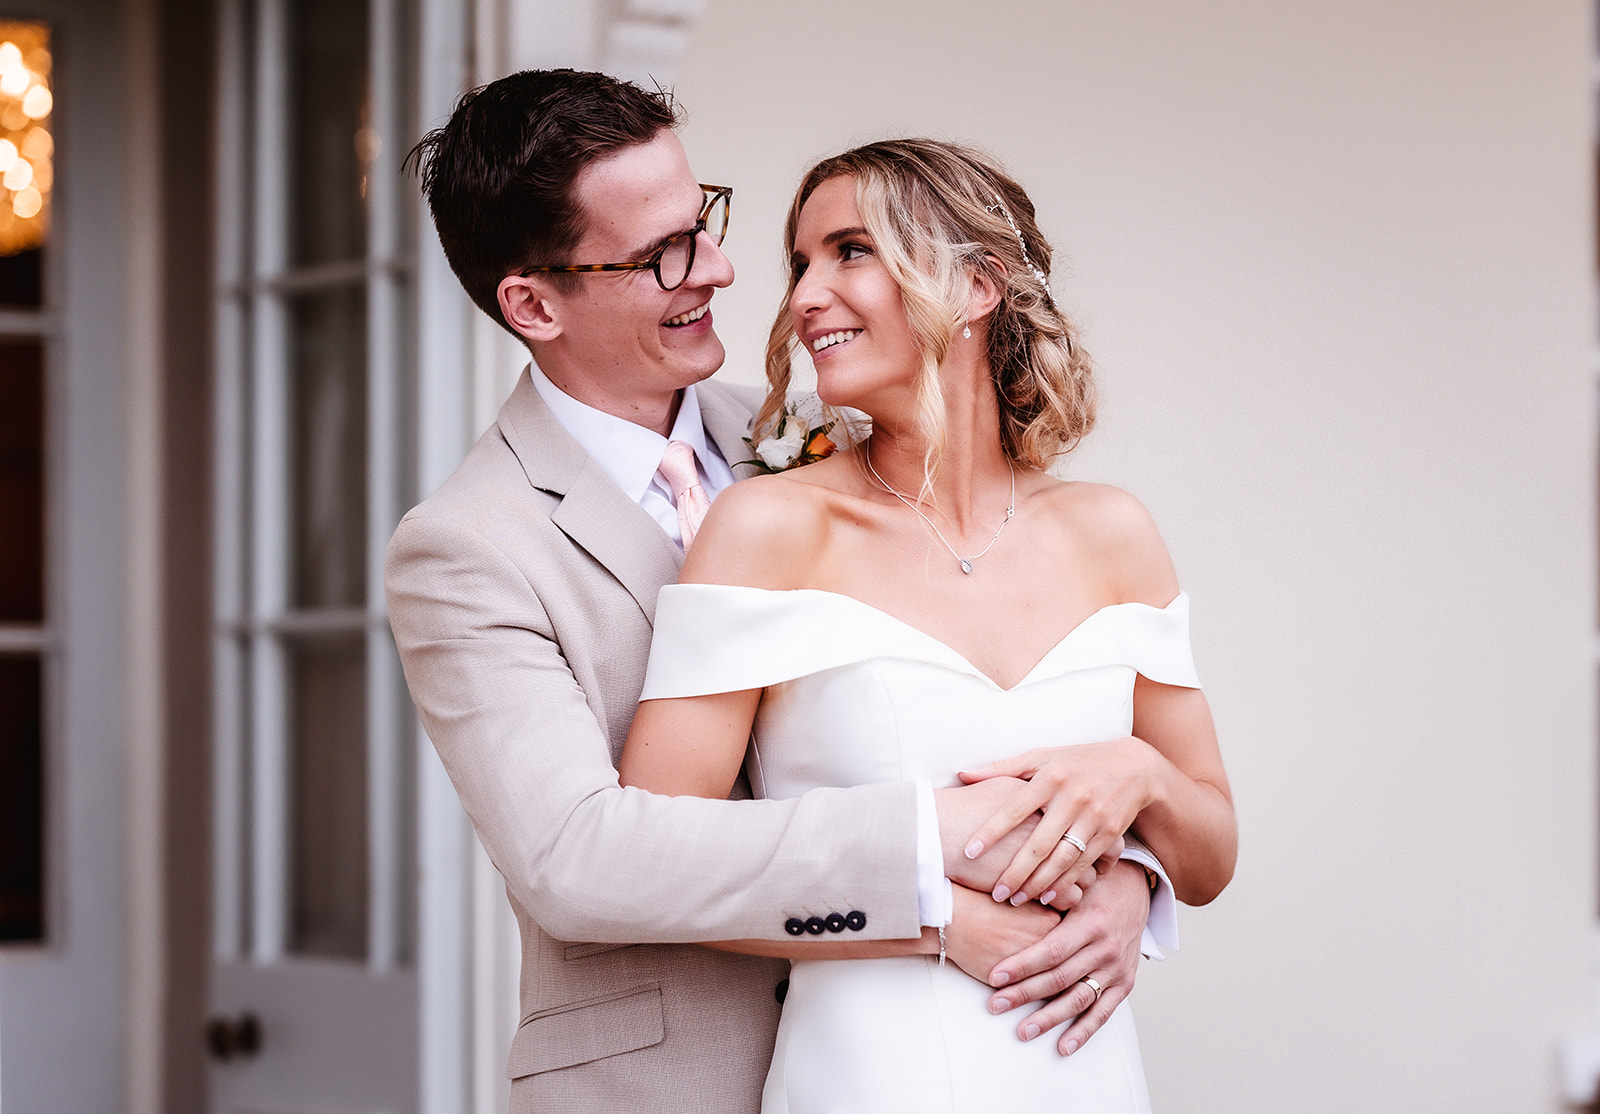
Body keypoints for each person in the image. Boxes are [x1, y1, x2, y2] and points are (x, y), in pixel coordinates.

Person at [386, 71, 1175, 1114]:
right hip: (665, 1085)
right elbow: (577, 857)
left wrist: (1123, 879)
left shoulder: (822, 436)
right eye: (661, 253)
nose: (714, 269)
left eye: (703, 218)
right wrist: (930, 871)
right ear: (534, 303)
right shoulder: (466, 547)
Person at [617, 138, 1237, 1112]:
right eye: (800, 264)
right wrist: (934, 920)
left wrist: (1141, 790)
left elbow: (1207, 854)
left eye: (849, 250)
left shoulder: (1112, 532)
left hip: (1086, 1072)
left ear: (978, 283)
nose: (803, 297)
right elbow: (654, 860)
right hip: (866, 1074)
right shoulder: (769, 528)